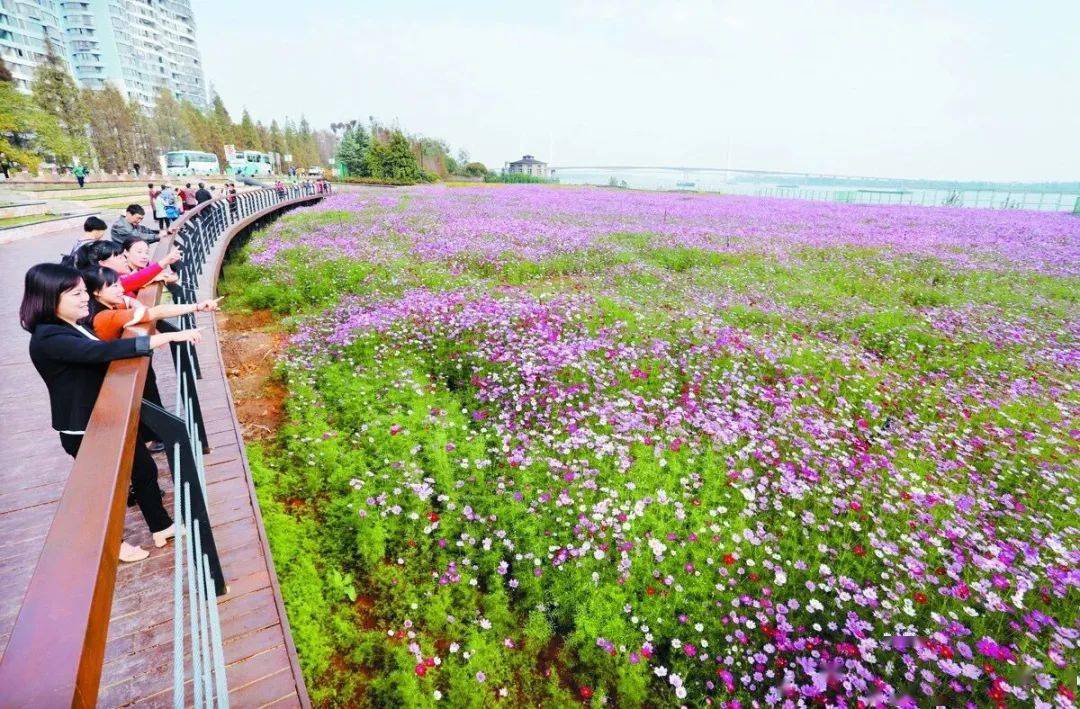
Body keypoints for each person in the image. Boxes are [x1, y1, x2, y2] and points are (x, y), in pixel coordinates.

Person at [20, 263, 200, 561]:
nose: (84, 299)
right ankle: (111, 546)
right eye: (76, 294)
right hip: (84, 427)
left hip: (105, 416)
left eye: (84, 292)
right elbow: (99, 352)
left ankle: (161, 526)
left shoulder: (70, 325)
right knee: (104, 491)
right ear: (50, 297)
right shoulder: (48, 337)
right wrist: (163, 338)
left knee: (143, 469)